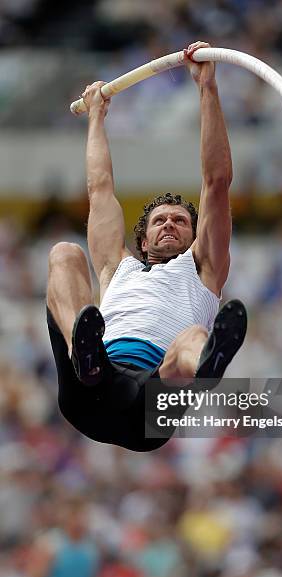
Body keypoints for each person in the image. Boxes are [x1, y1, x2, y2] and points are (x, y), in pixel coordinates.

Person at [46, 41, 247, 452]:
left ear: (195, 235)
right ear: (143, 238)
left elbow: (217, 183)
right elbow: (99, 189)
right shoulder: (114, 268)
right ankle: (82, 354)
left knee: (191, 337)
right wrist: (96, 118)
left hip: (149, 404)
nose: (170, 224)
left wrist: (206, 88)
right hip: (93, 383)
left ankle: (204, 366)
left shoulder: (203, 269)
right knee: (64, 254)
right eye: (160, 220)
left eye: (180, 220)